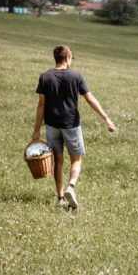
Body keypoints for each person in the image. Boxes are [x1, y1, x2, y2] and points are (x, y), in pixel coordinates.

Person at [32, 45, 116, 208]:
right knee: (76, 159)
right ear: (68, 58)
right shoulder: (76, 75)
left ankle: (60, 198)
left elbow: (41, 105)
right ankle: (71, 186)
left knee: (58, 161)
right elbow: (90, 99)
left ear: (55, 58)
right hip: (71, 124)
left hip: (51, 125)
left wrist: (36, 130)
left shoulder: (45, 77)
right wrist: (107, 119)